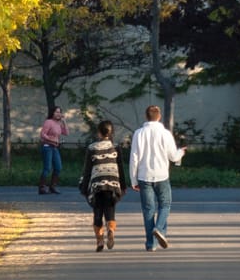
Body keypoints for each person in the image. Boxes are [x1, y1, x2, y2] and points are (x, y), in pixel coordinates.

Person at [129, 105, 186, 250]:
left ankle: (151, 244)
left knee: (148, 210)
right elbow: (173, 156)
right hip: (161, 175)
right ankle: (159, 229)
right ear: (159, 116)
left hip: (143, 175)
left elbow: (134, 158)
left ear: (146, 116)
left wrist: (133, 179)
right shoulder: (165, 134)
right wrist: (181, 152)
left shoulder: (138, 133)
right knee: (165, 205)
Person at [78, 121, 127, 251]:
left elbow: (87, 170)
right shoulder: (116, 147)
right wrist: (123, 186)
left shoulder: (92, 148)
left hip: (97, 185)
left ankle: (99, 241)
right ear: (112, 133)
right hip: (113, 184)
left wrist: (84, 187)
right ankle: (111, 229)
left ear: (99, 133)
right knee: (110, 209)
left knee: (97, 212)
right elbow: (120, 168)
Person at [38, 106, 67, 195]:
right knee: (47, 168)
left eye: (60, 112)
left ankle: (52, 187)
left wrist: (64, 122)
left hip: (54, 147)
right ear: (52, 113)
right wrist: (52, 140)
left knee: (58, 167)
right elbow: (42, 134)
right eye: (56, 112)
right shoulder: (48, 122)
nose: (58, 114)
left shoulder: (58, 124)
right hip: (47, 147)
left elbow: (66, 133)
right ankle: (42, 187)